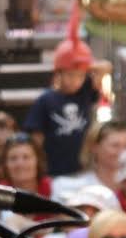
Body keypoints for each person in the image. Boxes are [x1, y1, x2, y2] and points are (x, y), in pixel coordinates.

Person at [23, 38, 102, 178]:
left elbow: (105, 67)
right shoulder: (45, 100)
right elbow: (36, 139)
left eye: (81, 76)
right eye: (70, 75)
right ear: (58, 73)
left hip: (83, 170)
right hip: (54, 171)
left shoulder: (85, 93)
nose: (75, 81)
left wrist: (84, 62)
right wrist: (41, 167)